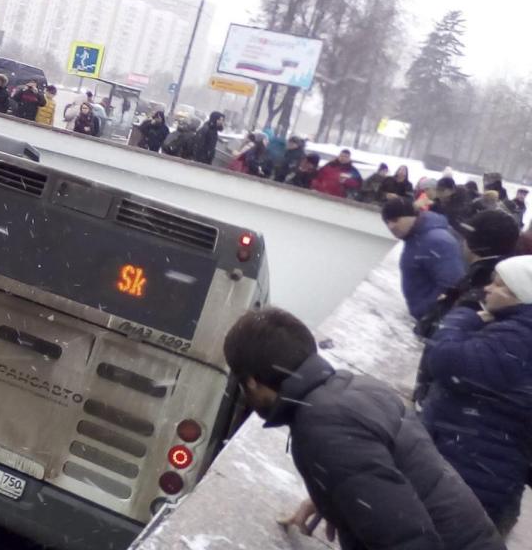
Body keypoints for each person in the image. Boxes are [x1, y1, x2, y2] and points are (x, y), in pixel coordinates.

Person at [223, 307, 505, 550]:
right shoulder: (357, 387)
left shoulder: (322, 427)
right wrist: (335, 496)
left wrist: (348, 491)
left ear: (251, 382)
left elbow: (408, 540)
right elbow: (390, 472)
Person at [420, 255, 532, 537]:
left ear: (523, 295)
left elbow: (446, 360)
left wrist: (464, 314)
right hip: (477, 474)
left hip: (469, 480)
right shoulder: (515, 329)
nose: (487, 289)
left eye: (500, 285)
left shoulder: (520, 337)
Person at [413, 209, 520, 400]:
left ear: (473, 244)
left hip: (443, 398)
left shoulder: (482, 290)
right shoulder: (502, 279)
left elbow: (441, 344)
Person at [382, 198, 466, 321]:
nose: (391, 226)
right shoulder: (416, 238)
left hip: (434, 320)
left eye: (395, 220)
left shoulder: (435, 241)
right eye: (387, 222)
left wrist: (426, 313)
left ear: (411, 216)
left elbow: (452, 284)